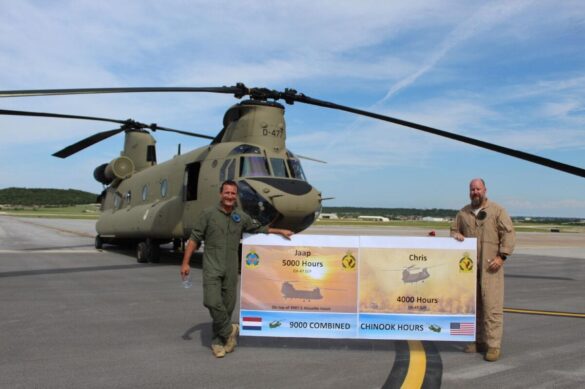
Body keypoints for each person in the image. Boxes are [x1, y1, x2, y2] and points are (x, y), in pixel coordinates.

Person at [181, 180, 293, 358]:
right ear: (220, 194)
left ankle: (219, 342)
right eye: (227, 193)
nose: (230, 196)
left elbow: (258, 228)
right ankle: (230, 329)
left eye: (233, 194)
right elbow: (194, 239)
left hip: (231, 269)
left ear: (236, 196)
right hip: (212, 267)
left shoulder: (240, 217)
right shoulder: (208, 214)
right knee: (211, 301)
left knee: (227, 307)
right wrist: (185, 263)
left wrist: (280, 231)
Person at [451, 178, 515, 362]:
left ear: (485, 190)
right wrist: (456, 235)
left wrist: (501, 256)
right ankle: (477, 341)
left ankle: (493, 345)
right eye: (472, 189)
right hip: (469, 270)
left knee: (492, 308)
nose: (475, 192)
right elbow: (454, 230)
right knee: (473, 307)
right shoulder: (463, 213)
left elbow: (508, 235)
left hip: (491, 268)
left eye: (478, 189)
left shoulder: (497, 211)